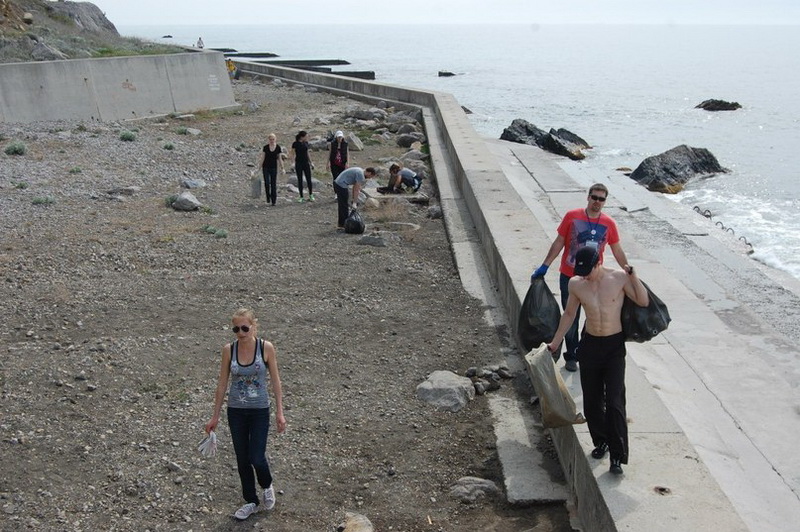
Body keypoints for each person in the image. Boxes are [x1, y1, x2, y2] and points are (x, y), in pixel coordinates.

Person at [546, 246, 648, 476]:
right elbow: (569, 314)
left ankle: (617, 455)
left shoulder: (618, 278)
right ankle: (601, 441)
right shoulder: (576, 284)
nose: (585, 276)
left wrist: (634, 276)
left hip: (613, 347)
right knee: (592, 401)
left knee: (614, 401)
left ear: (598, 263)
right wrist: (556, 342)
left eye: (588, 272)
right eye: (581, 272)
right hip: (590, 345)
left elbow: (643, 301)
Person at [531, 183, 629, 372]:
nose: (597, 202)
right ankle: (571, 355)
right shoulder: (572, 216)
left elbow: (617, 249)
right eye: (594, 197)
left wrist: (627, 270)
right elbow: (559, 242)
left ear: (605, 201)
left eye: (601, 199)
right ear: (588, 197)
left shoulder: (609, 223)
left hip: (595, 279)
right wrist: (545, 265)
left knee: (593, 315)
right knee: (571, 316)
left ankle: (584, 349)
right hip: (569, 276)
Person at [205, 308, 286, 520]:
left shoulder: (266, 348)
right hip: (236, 412)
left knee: (256, 457)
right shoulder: (229, 350)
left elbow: (276, 381)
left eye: (244, 328)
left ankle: (266, 485)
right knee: (242, 459)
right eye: (236, 329)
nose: (240, 333)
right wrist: (215, 416)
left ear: (253, 326)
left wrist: (280, 412)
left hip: (259, 411)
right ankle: (250, 501)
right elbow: (222, 384)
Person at [256, 134, 285, 206]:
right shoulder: (265, 147)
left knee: (273, 184)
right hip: (265, 167)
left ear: (275, 139)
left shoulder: (278, 147)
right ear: (268, 140)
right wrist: (259, 168)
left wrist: (282, 168)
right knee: (266, 182)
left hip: (274, 167)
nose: (272, 141)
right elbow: (262, 158)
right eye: (270, 139)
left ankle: (273, 200)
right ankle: (268, 197)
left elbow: (280, 159)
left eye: (273, 139)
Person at [290, 130, 314, 202]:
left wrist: (311, 162)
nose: (307, 138)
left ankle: (311, 195)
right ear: (301, 137)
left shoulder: (306, 143)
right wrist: (292, 163)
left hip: (306, 163)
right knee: (299, 179)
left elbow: (307, 153)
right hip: (298, 163)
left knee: (309, 179)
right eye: (306, 136)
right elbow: (292, 154)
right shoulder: (295, 144)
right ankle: (301, 196)